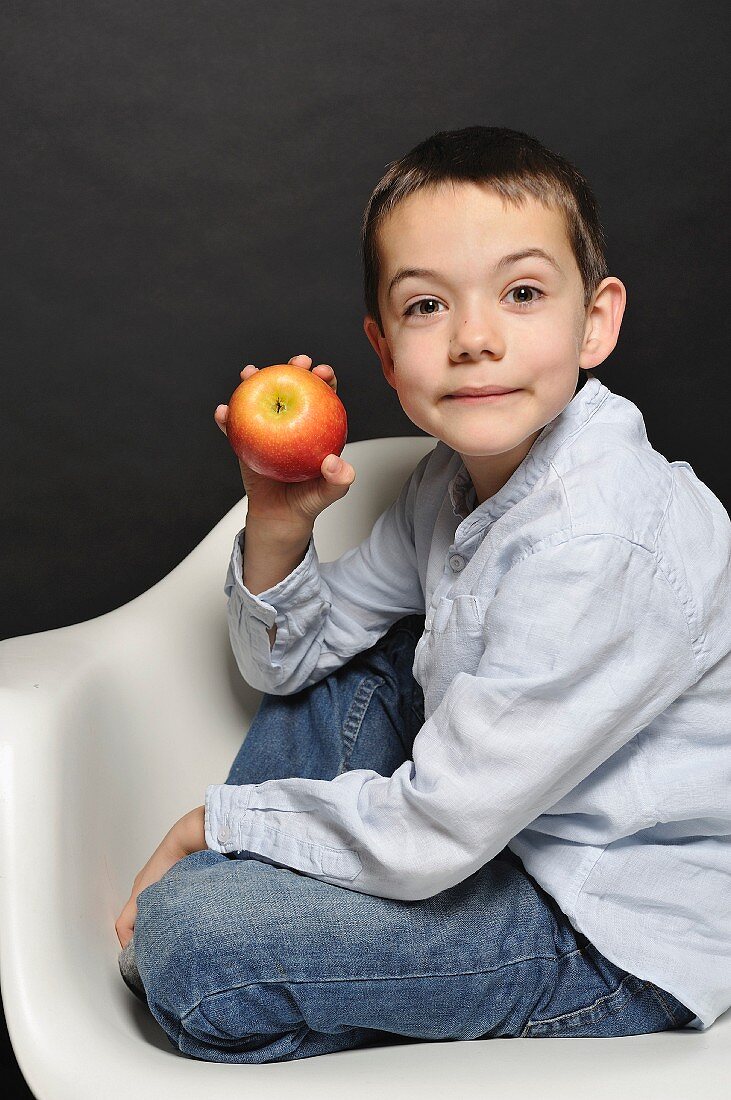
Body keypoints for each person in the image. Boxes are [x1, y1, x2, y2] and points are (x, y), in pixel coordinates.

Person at [115, 126, 731, 1062]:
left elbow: (436, 834)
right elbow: (290, 666)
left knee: (190, 943)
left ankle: (269, 922)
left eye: (522, 294)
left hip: (602, 919)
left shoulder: (598, 542)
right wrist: (280, 520)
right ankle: (288, 908)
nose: (475, 339)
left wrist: (216, 824)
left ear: (594, 323)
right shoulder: (450, 482)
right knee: (363, 656)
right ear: (385, 346)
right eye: (427, 306)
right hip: (490, 829)